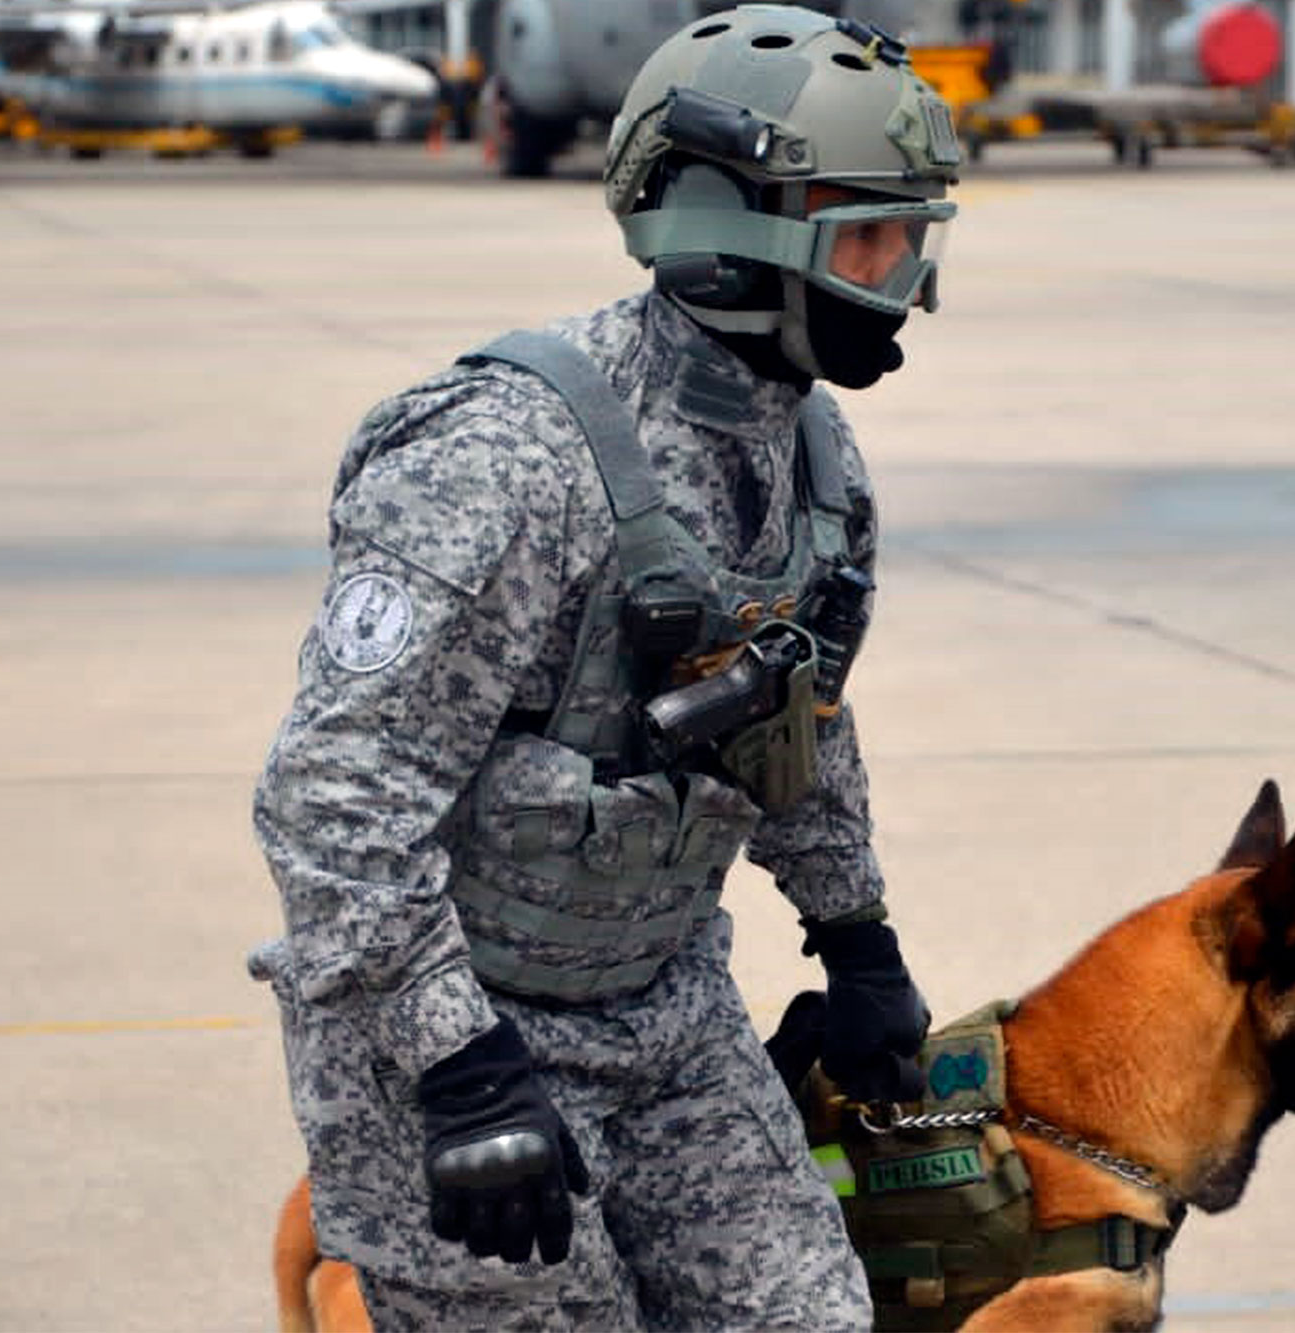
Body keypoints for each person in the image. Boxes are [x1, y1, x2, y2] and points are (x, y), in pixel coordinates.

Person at [246, 6, 963, 1328]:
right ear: (738, 227)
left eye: (912, 234)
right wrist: (456, 1066)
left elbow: (803, 713)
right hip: (458, 1041)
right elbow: (335, 802)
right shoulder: (506, 453)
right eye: (870, 231)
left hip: (668, 1012)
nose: (900, 271)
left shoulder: (816, 461)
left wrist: (857, 934)